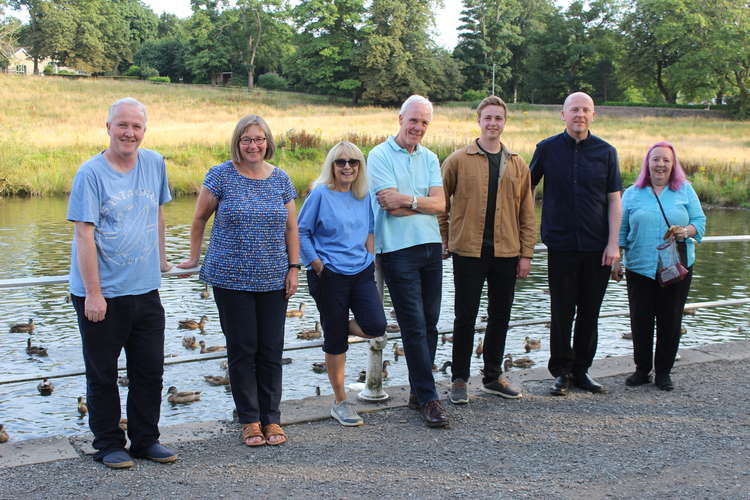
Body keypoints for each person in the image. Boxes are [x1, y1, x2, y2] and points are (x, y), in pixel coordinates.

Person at [177, 115, 299, 446]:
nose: (253, 145)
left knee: (271, 350)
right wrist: (192, 257)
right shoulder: (220, 176)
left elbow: (291, 228)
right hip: (231, 279)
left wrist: (294, 267)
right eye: (246, 139)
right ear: (237, 143)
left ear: (268, 142)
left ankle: (272, 418)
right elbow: (200, 218)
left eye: (259, 139)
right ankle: (249, 420)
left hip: (274, 278)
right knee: (243, 349)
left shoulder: (281, 180)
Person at [67, 97, 176, 469]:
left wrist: (161, 260)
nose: (130, 133)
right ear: (108, 127)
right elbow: (84, 235)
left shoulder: (155, 163)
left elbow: (157, 212)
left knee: (150, 370)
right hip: (102, 293)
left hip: (145, 289)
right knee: (103, 374)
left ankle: (146, 440)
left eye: (137, 127)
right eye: (122, 125)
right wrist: (93, 294)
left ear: (144, 130)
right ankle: (109, 444)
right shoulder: (91, 174)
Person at [439, 96, 536, 404]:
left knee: (500, 316)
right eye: (488, 118)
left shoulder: (518, 163)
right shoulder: (458, 159)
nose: (493, 123)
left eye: (498, 118)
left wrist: (526, 253)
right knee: (464, 316)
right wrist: (445, 239)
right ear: (479, 121)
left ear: (504, 122)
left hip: (506, 252)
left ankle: (493, 377)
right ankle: (459, 379)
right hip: (468, 250)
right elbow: (441, 203)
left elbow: (527, 212)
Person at [530, 91, 622, 396]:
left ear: (593, 115)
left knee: (590, 312)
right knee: (561, 311)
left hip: (597, 247)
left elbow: (614, 200)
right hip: (561, 245)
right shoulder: (546, 149)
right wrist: (526, 233)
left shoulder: (606, 152)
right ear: (563, 114)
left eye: (585, 110)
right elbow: (524, 192)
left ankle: (582, 370)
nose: (579, 115)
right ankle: (561, 372)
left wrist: (613, 244)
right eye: (574, 110)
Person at [368, 95, 448, 428]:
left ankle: (419, 391)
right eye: (413, 120)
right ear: (400, 118)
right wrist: (420, 203)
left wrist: (408, 200)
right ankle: (429, 399)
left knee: (430, 323)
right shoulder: (379, 155)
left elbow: (441, 204)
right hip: (398, 249)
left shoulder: (430, 157)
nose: (418, 127)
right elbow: (389, 207)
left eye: (424, 122)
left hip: (432, 245)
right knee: (413, 324)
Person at [298, 141, 387, 426]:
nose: (347, 167)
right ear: (332, 166)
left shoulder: (365, 194)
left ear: (360, 167)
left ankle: (336, 326)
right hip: (329, 275)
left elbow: (371, 229)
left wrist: (369, 257)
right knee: (335, 343)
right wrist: (317, 264)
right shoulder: (320, 194)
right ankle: (340, 402)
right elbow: (302, 231)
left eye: (353, 162)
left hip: (360, 271)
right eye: (341, 162)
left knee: (376, 325)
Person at [614, 142, 705, 391]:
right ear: (647, 163)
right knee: (640, 320)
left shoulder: (685, 190)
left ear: (673, 164)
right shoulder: (632, 193)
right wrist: (616, 258)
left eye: (666, 160)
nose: (660, 164)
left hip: (676, 268)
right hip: (640, 267)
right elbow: (621, 230)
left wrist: (686, 231)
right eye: (656, 159)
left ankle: (663, 372)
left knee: (670, 319)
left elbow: (700, 222)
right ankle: (642, 370)